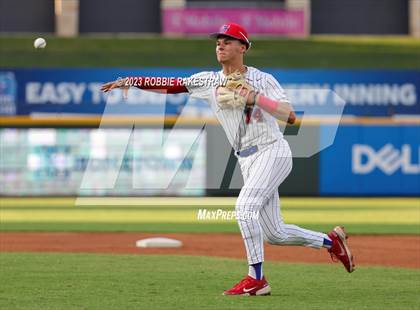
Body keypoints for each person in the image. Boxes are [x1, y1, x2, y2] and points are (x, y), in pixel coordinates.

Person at [101, 22, 355, 296]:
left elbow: (290, 116)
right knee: (275, 233)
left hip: (272, 151)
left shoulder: (262, 80)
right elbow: (173, 85)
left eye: (228, 40)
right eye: (218, 41)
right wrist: (132, 81)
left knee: (244, 209)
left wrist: (254, 96)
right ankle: (331, 243)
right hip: (246, 160)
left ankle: (257, 279)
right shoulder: (208, 81)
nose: (220, 44)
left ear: (243, 47)